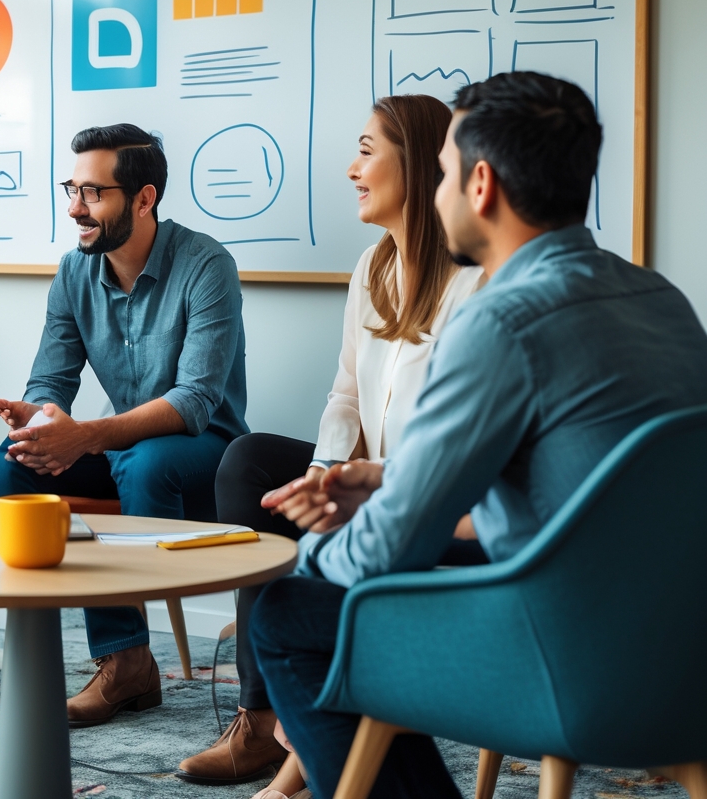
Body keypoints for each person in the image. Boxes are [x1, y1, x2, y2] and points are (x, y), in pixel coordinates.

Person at [248, 72, 707, 799]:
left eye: (443, 174)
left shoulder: (501, 319)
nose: (436, 194)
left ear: (481, 184)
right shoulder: (663, 300)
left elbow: (391, 550)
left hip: (563, 660)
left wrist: (318, 549)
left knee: (287, 613)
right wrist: (384, 479)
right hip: (681, 658)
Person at [177, 95, 484, 790]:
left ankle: (295, 755)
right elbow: (346, 392)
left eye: (367, 151)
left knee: (314, 560)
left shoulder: (475, 285)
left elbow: (458, 443)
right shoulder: (372, 270)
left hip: (425, 485)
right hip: (370, 474)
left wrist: (361, 489)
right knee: (248, 461)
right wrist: (318, 475)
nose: (352, 168)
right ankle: (261, 718)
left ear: (423, 162)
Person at [0, 123, 249, 727]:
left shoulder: (206, 263)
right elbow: (51, 380)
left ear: (144, 199)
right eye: (70, 189)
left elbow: (195, 401)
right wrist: (39, 419)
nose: (76, 208)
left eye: (93, 193)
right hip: (121, 449)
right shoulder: (74, 272)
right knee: (13, 467)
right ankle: (120, 659)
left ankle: (126, 661)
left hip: (205, 451)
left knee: (143, 458)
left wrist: (84, 435)